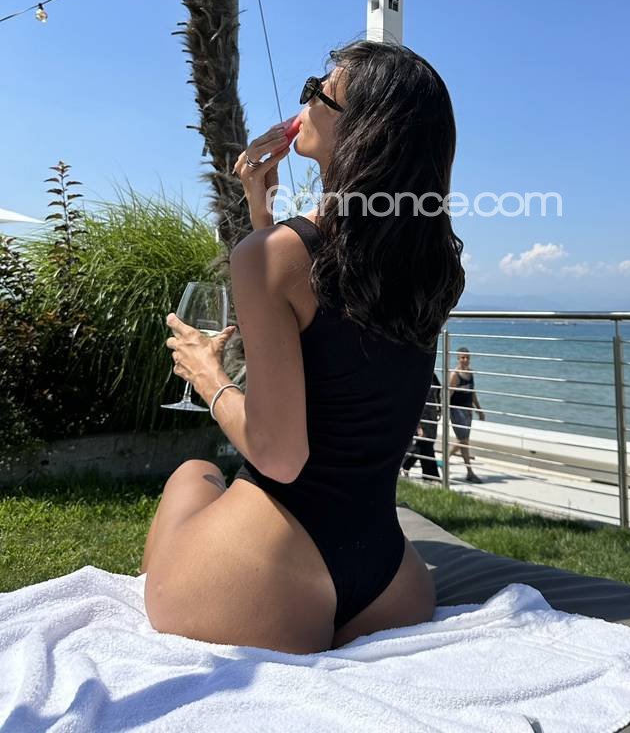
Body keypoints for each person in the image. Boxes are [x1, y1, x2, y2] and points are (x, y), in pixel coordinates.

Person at [142, 40, 465, 654]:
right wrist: (260, 212)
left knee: (194, 474)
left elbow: (280, 456)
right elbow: (334, 335)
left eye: (320, 91)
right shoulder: (433, 270)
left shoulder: (275, 258)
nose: (305, 100)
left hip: (263, 576)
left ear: (362, 134)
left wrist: (208, 377)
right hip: (392, 584)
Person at [448, 348, 485, 483]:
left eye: (467, 357)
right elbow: (448, 394)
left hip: (468, 411)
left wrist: (479, 409)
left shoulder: (470, 373)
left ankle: (469, 472)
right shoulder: (454, 375)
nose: (465, 360)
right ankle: (447, 459)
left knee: (464, 442)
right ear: (458, 359)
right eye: (463, 357)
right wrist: (443, 410)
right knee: (462, 441)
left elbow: (472, 393)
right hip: (456, 411)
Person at [401, 373, 442, 481]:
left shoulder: (432, 375)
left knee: (425, 443)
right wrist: (418, 425)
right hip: (421, 416)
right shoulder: (418, 376)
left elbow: (438, 391)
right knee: (425, 443)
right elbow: (413, 400)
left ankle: (405, 466)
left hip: (431, 416)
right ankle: (431, 475)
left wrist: (439, 408)